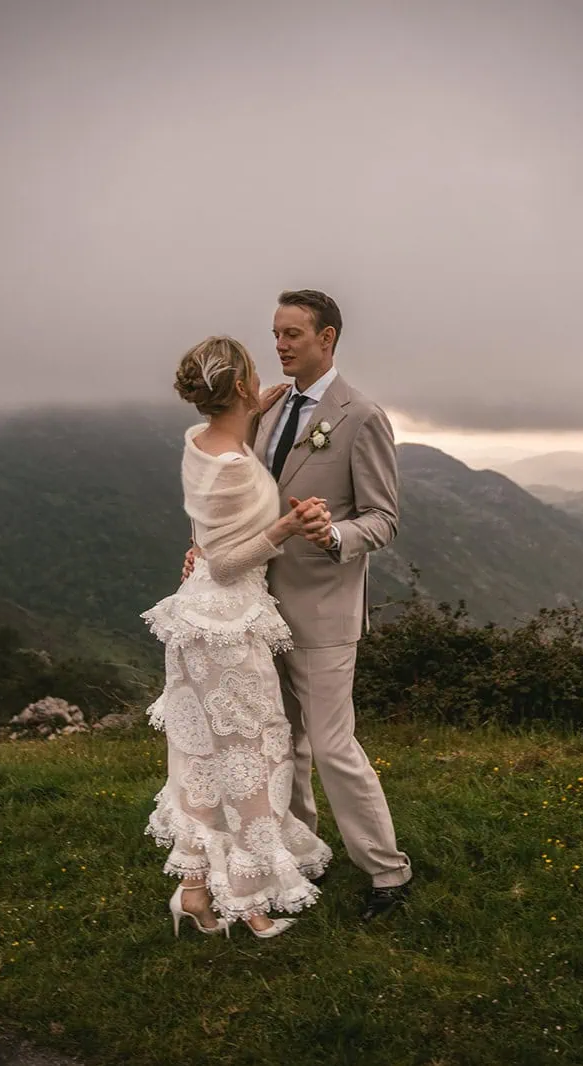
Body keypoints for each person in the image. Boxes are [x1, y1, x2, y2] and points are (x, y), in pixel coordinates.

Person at [183, 289, 413, 921]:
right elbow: (234, 498)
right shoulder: (274, 407)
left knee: (334, 746)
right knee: (282, 744)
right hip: (258, 610)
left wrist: (334, 535)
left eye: (292, 334)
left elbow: (384, 519)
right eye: (276, 334)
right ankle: (304, 858)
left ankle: (388, 875)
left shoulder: (361, 416)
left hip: (324, 611)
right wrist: (202, 550)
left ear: (327, 339)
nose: (280, 345)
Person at [142, 335, 333, 938]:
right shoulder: (229, 466)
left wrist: (251, 414)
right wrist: (286, 526)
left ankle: (197, 895)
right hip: (225, 625)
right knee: (249, 757)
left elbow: (228, 475)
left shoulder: (200, 442)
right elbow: (225, 561)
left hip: (199, 621)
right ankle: (245, 901)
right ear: (244, 385)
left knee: (203, 759)